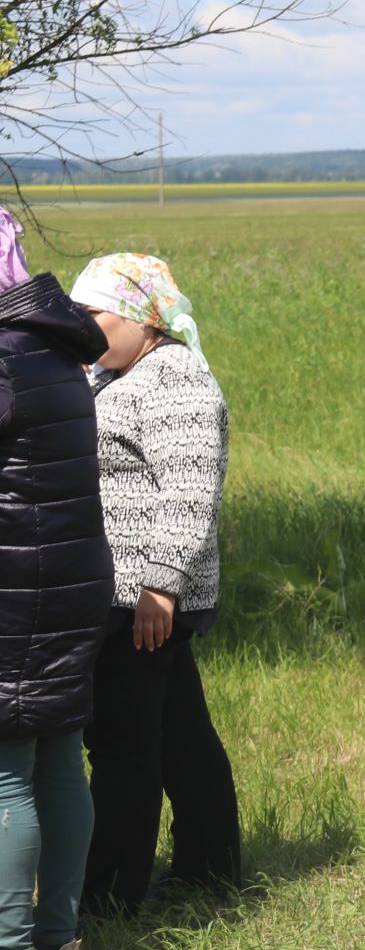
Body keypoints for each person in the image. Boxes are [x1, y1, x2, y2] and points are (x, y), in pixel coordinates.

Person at [70, 254, 239, 916]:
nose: (83, 326)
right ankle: (210, 869)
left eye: (95, 313)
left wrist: (160, 587)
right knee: (178, 737)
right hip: (131, 594)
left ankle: (111, 896)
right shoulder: (117, 373)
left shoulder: (176, 382)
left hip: (144, 598)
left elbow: (191, 493)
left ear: (144, 318)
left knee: (122, 746)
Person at [0, 210, 114, 950]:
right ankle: (62, 944)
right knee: (60, 762)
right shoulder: (52, 344)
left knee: (6, 776)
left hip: (14, 587)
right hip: (72, 581)